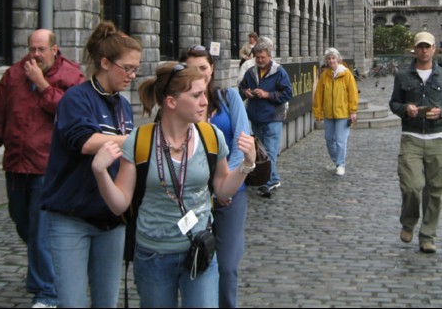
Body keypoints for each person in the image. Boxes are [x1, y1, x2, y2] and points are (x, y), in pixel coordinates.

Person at [91, 62, 256, 308]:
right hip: (153, 255)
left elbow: (222, 189)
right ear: (171, 102)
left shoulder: (211, 136)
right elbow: (119, 204)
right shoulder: (141, 141)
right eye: (196, 95)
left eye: (205, 93)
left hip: (200, 249)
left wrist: (246, 165)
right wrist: (100, 171)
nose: (204, 101)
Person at [41, 21, 140, 308]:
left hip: (111, 218)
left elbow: (125, 154)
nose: (132, 75)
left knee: (106, 302)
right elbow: (83, 141)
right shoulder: (76, 98)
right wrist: (137, 140)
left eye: (136, 68)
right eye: (128, 68)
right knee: (72, 302)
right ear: (105, 63)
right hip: (71, 216)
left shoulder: (121, 104)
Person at [0, 29, 84, 309]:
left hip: (48, 167)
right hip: (16, 165)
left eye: (41, 49)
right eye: (32, 49)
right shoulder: (13, 76)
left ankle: (47, 293)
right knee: (22, 222)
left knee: (41, 234)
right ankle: (42, 274)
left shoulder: (72, 76)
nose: (36, 55)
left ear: (55, 49)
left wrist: (42, 85)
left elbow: (73, 113)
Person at [180, 45, 251, 309]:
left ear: (212, 69)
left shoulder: (228, 97)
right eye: (191, 68)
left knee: (228, 265)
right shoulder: (180, 105)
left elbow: (242, 141)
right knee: (195, 261)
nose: (199, 73)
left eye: (203, 68)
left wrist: (225, 187)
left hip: (232, 193)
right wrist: (208, 191)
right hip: (192, 196)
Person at [389, 31, 442, 254]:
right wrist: (405, 110)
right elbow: (394, 103)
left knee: (435, 190)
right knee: (411, 186)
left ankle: (427, 235)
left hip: (438, 138)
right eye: (420, 46)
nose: (424, 50)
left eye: (427, 46)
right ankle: (408, 222)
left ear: (434, 49)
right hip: (411, 137)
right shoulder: (403, 76)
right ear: (414, 49)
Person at [238, 37, 293, 198]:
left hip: (273, 116)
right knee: (261, 152)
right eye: (258, 57)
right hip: (256, 117)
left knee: (269, 151)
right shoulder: (250, 72)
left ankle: (266, 183)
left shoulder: (279, 72)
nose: (260, 60)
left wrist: (267, 94)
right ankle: (273, 178)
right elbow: (241, 88)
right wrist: (245, 92)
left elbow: (288, 93)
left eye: (263, 57)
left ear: (269, 56)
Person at [312, 48, 359, 176]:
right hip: (328, 113)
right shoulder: (325, 75)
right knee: (328, 139)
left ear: (338, 59)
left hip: (343, 113)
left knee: (340, 140)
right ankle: (336, 160)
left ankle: (340, 164)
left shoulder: (346, 74)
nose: (331, 61)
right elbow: (318, 95)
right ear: (326, 61)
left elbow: (353, 93)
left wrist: (353, 110)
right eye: (329, 58)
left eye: (333, 58)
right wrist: (317, 112)